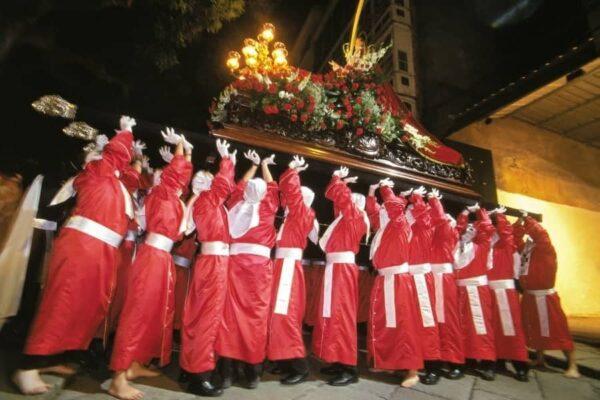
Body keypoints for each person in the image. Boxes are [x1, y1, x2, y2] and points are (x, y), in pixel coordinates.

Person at [12, 116, 137, 395]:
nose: (102, 153)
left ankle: (51, 357)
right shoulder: (95, 172)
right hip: (83, 247)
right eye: (97, 152)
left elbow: (129, 171)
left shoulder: (115, 183)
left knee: (85, 308)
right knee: (61, 303)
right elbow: (116, 156)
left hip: (101, 251)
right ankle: (27, 367)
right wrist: (125, 134)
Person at [109, 128, 193, 400]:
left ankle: (134, 363)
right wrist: (180, 147)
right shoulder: (164, 193)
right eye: (181, 174)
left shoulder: (175, 199)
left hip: (162, 259)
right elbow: (176, 171)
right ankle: (118, 377)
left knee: (153, 315)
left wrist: (187, 151)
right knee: (136, 314)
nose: (184, 177)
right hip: (152, 258)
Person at [215, 151, 279, 389]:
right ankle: (252, 371)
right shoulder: (269, 206)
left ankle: (228, 371)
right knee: (256, 319)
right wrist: (263, 165)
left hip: (235, 266)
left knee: (229, 316)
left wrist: (252, 166)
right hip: (259, 271)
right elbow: (272, 186)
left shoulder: (235, 204)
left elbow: (240, 186)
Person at [180, 139, 236, 397]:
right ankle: (199, 375)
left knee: (201, 316)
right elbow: (223, 185)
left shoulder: (210, 203)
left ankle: (191, 368)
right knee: (207, 317)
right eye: (198, 182)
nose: (203, 184)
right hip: (213, 264)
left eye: (206, 180)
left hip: (214, 263)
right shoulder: (206, 201)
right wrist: (226, 162)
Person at [312, 166, 368, 386]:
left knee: (341, 316)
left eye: (351, 200)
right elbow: (339, 201)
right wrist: (344, 183)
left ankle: (350, 367)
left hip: (342, 270)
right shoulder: (347, 218)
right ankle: (337, 359)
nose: (345, 203)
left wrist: (338, 178)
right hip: (336, 269)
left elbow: (341, 198)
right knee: (332, 314)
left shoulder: (355, 216)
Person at [366, 178, 422, 388]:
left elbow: (393, 206)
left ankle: (412, 370)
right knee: (383, 322)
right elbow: (373, 212)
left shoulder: (400, 224)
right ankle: (388, 361)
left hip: (399, 281)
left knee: (405, 325)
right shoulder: (384, 227)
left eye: (386, 210)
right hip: (384, 280)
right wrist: (372, 190)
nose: (381, 213)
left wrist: (384, 187)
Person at [266, 155, 318, 385]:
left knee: (285, 316)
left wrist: (293, 171)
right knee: (276, 315)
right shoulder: (290, 217)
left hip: (288, 268)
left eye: (293, 197)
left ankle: (299, 365)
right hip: (281, 266)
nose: (286, 199)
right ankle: (282, 359)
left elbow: (292, 192)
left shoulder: (303, 213)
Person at [514, 213, 580, 378]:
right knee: (534, 327)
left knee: (559, 329)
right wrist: (519, 223)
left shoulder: (545, 248)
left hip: (546, 296)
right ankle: (540, 359)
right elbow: (516, 239)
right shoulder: (528, 250)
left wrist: (528, 219)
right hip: (530, 296)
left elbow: (540, 234)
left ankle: (573, 366)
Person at [454, 203, 496, 380]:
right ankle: (463, 362)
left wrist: (479, 211)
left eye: (474, 228)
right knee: (461, 327)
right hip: (460, 290)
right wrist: (464, 212)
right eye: (467, 228)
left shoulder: (483, 245)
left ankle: (488, 363)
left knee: (481, 326)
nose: (470, 230)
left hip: (477, 290)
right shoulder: (456, 246)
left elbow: (487, 227)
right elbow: (458, 228)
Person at [487, 207, 529, 381]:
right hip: (489, 289)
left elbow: (508, 232)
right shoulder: (486, 241)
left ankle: (520, 364)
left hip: (504, 289)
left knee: (511, 328)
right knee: (493, 328)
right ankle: (495, 361)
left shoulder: (506, 242)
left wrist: (500, 215)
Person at [405, 186, 441, 384]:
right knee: (408, 323)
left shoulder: (426, 225)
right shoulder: (407, 227)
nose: (410, 213)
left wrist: (417, 198)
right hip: (406, 277)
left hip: (420, 278)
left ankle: (432, 365)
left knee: (426, 321)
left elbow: (424, 213)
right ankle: (410, 363)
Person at [427, 189, 465, 379]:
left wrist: (433, 200)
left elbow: (440, 220)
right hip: (429, 278)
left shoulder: (447, 230)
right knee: (430, 321)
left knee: (447, 320)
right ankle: (433, 361)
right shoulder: (433, 231)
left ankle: (454, 361)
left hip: (442, 279)